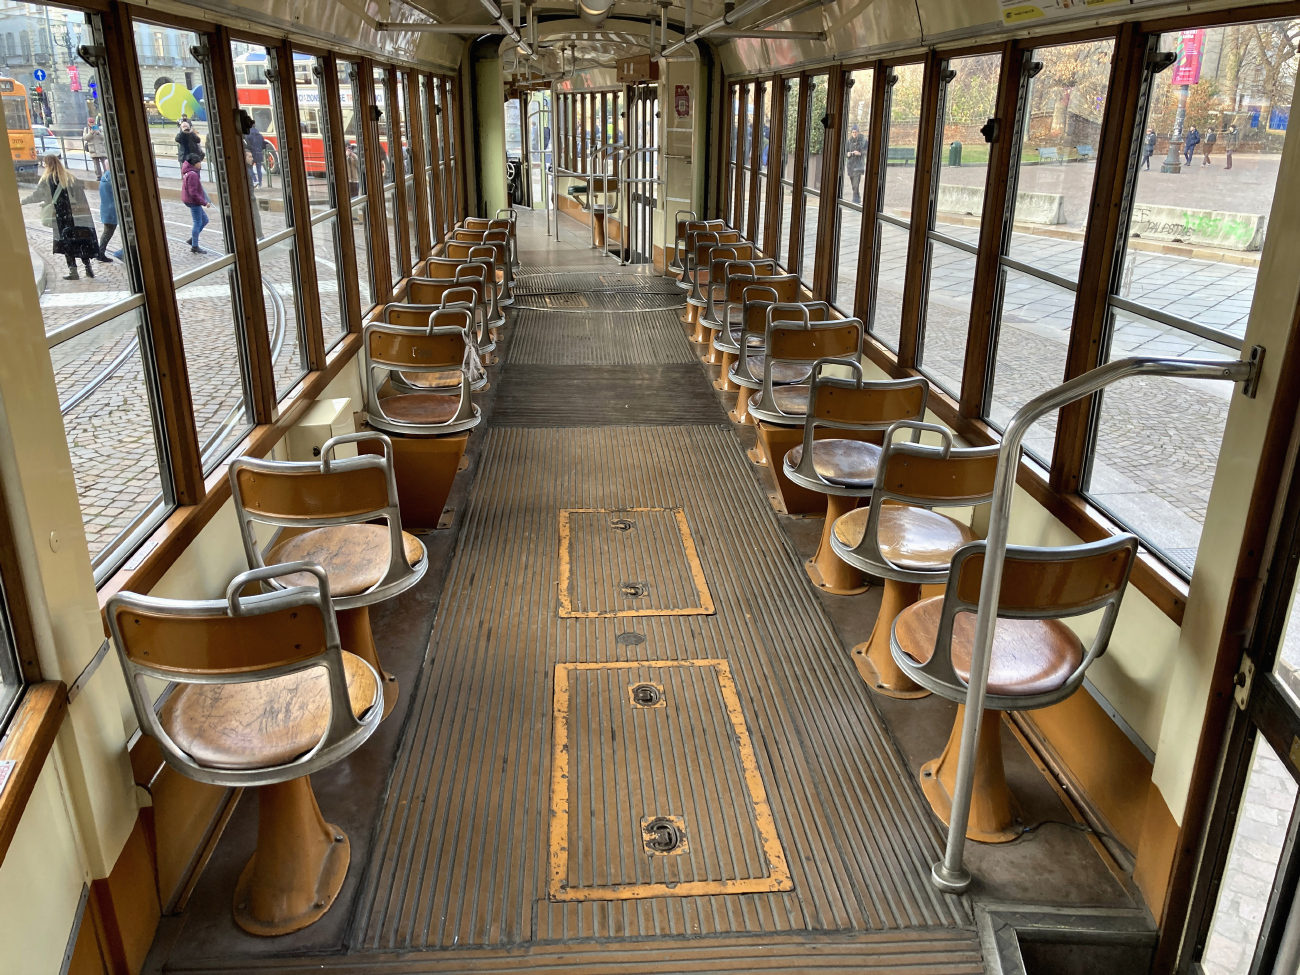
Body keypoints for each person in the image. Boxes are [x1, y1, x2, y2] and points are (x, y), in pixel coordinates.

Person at [22, 154, 98, 280]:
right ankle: (88, 267)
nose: (43, 165)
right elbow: (80, 198)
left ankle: (73, 271)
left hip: (61, 217)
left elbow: (38, 195)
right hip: (77, 215)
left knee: (67, 242)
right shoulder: (70, 177)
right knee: (80, 240)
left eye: (44, 163)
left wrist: (22, 201)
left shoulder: (48, 179)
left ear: (48, 164)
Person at [180, 152, 211, 253]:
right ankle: (195, 246)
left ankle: (193, 239)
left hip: (190, 200)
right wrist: (204, 202)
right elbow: (193, 193)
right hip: (193, 202)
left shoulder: (188, 172)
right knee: (197, 222)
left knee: (205, 220)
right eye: (199, 162)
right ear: (195, 163)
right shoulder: (193, 175)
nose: (200, 164)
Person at [97, 168, 117, 263]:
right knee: (108, 231)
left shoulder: (104, 178)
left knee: (107, 231)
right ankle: (100, 253)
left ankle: (100, 253)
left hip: (106, 209)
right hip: (112, 210)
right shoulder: (112, 179)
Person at [844, 124, 867, 203]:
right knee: (852, 182)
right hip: (850, 165)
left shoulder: (863, 141)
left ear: (858, 132)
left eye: (856, 132)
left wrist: (859, 153)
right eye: (853, 132)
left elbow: (867, 151)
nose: (854, 133)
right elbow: (844, 152)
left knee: (855, 183)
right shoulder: (849, 141)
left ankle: (855, 200)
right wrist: (848, 154)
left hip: (858, 165)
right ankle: (857, 196)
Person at [244, 149, 263, 238]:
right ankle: (260, 237)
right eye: (250, 157)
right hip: (250, 198)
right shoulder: (247, 170)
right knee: (256, 217)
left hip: (250, 196)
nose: (252, 159)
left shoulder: (248, 168)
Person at [245, 120, 266, 188]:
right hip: (259, 152)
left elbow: (247, 145)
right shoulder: (259, 135)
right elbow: (264, 145)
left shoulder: (248, 135)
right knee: (259, 169)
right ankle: (260, 184)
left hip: (252, 153)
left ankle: (255, 180)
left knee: (249, 167)